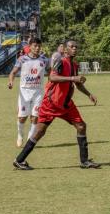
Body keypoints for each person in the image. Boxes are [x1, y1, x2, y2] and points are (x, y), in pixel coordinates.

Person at [13, 40, 100, 170]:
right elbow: (52, 78)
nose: (75, 48)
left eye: (76, 46)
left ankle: (84, 161)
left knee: (81, 126)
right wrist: (72, 79)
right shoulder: (61, 61)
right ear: (65, 50)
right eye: (72, 47)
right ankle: (19, 160)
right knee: (39, 132)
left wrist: (89, 94)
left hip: (66, 104)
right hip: (51, 103)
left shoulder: (74, 65)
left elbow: (77, 83)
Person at [8, 37, 50, 147]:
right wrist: (11, 82)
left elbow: (51, 73)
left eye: (39, 46)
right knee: (22, 117)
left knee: (35, 117)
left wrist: (50, 86)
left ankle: (29, 140)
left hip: (38, 92)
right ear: (29, 46)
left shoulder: (44, 60)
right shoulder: (22, 59)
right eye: (35, 46)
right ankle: (20, 135)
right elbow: (13, 72)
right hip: (24, 92)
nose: (37, 48)